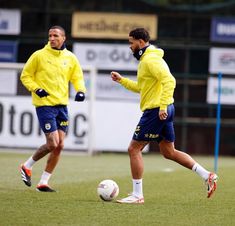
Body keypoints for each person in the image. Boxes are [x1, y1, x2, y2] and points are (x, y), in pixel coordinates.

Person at [111, 27, 218, 204]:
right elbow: (141, 88)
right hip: (163, 108)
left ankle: (137, 195)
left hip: (156, 111)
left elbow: (170, 81)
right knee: (169, 152)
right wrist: (122, 80)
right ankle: (207, 175)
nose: (130, 47)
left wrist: (162, 107)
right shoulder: (147, 59)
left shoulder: (150, 60)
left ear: (141, 42)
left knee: (133, 149)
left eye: (131, 43)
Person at [20, 25, 86, 192]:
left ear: (64, 38)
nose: (51, 38)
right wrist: (36, 89)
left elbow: (77, 77)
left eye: (55, 35)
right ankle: (27, 166)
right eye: (50, 35)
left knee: (60, 145)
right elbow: (25, 76)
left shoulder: (70, 58)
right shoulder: (39, 55)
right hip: (45, 106)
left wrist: (80, 91)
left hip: (62, 106)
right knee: (53, 143)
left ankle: (43, 182)